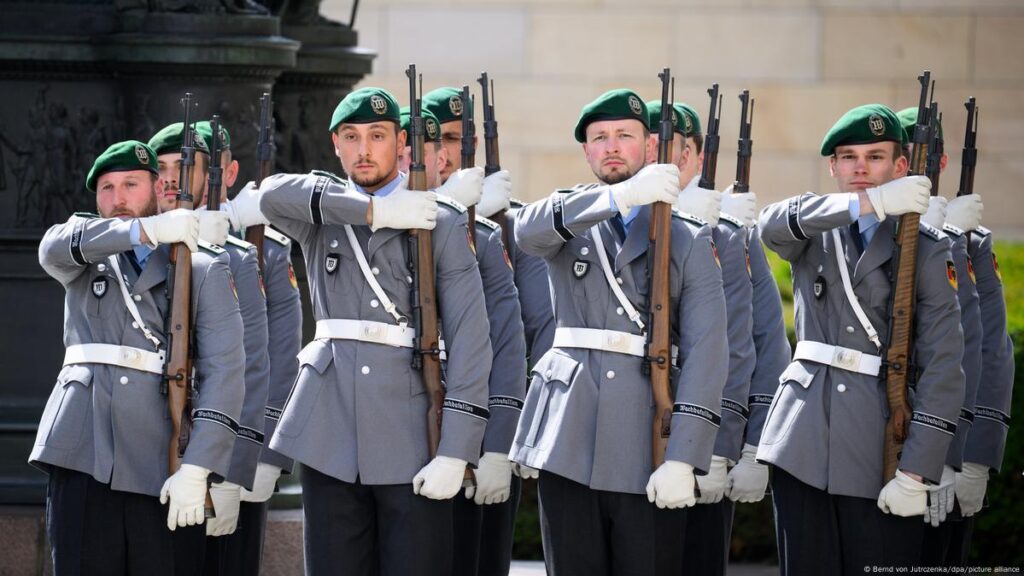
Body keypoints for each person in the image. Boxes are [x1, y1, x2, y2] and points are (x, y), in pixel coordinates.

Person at [224, 87, 492, 576]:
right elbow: (272, 194)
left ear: (402, 145)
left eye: (377, 136)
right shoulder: (322, 213)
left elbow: (472, 342)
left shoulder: (442, 221)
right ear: (336, 145)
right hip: (331, 427)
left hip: (413, 428)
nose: (364, 149)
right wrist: (375, 212)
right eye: (352, 137)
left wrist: (457, 449)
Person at [511, 88, 729, 575]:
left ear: (650, 149)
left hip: (647, 439)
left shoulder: (690, 239)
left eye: (624, 136)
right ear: (586, 151)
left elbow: (708, 354)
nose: (611, 146)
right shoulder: (570, 216)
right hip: (568, 436)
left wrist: (684, 457)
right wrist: (617, 197)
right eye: (599, 138)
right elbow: (526, 232)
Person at [758, 104, 966, 574]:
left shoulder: (929, 248)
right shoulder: (815, 227)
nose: (859, 168)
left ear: (900, 167)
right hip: (803, 440)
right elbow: (770, 224)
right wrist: (868, 204)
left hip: (882, 440)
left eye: (875, 157)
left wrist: (917, 470)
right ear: (832, 166)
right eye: (847, 157)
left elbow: (944, 366)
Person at [32, 140, 243, 575]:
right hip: (84, 449)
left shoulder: (202, 266)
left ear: (158, 188)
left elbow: (226, 371)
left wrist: (200, 464)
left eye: (131, 184)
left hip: (162, 458)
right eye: (106, 188)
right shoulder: (85, 251)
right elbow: (51, 248)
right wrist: (142, 233)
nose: (118, 198)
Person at [421, 88, 527, 576]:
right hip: (415, 430)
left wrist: (502, 442)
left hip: (484, 433)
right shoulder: (400, 216)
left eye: (457, 142)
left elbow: (519, 339)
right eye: (435, 139)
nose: (444, 154)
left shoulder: (509, 224)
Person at [196, 119, 304, 576]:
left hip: (240, 447)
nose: (198, 181)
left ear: (232, 172)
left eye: (209, 168)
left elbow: (281, 357)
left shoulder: (267, 250)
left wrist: (266, 452)